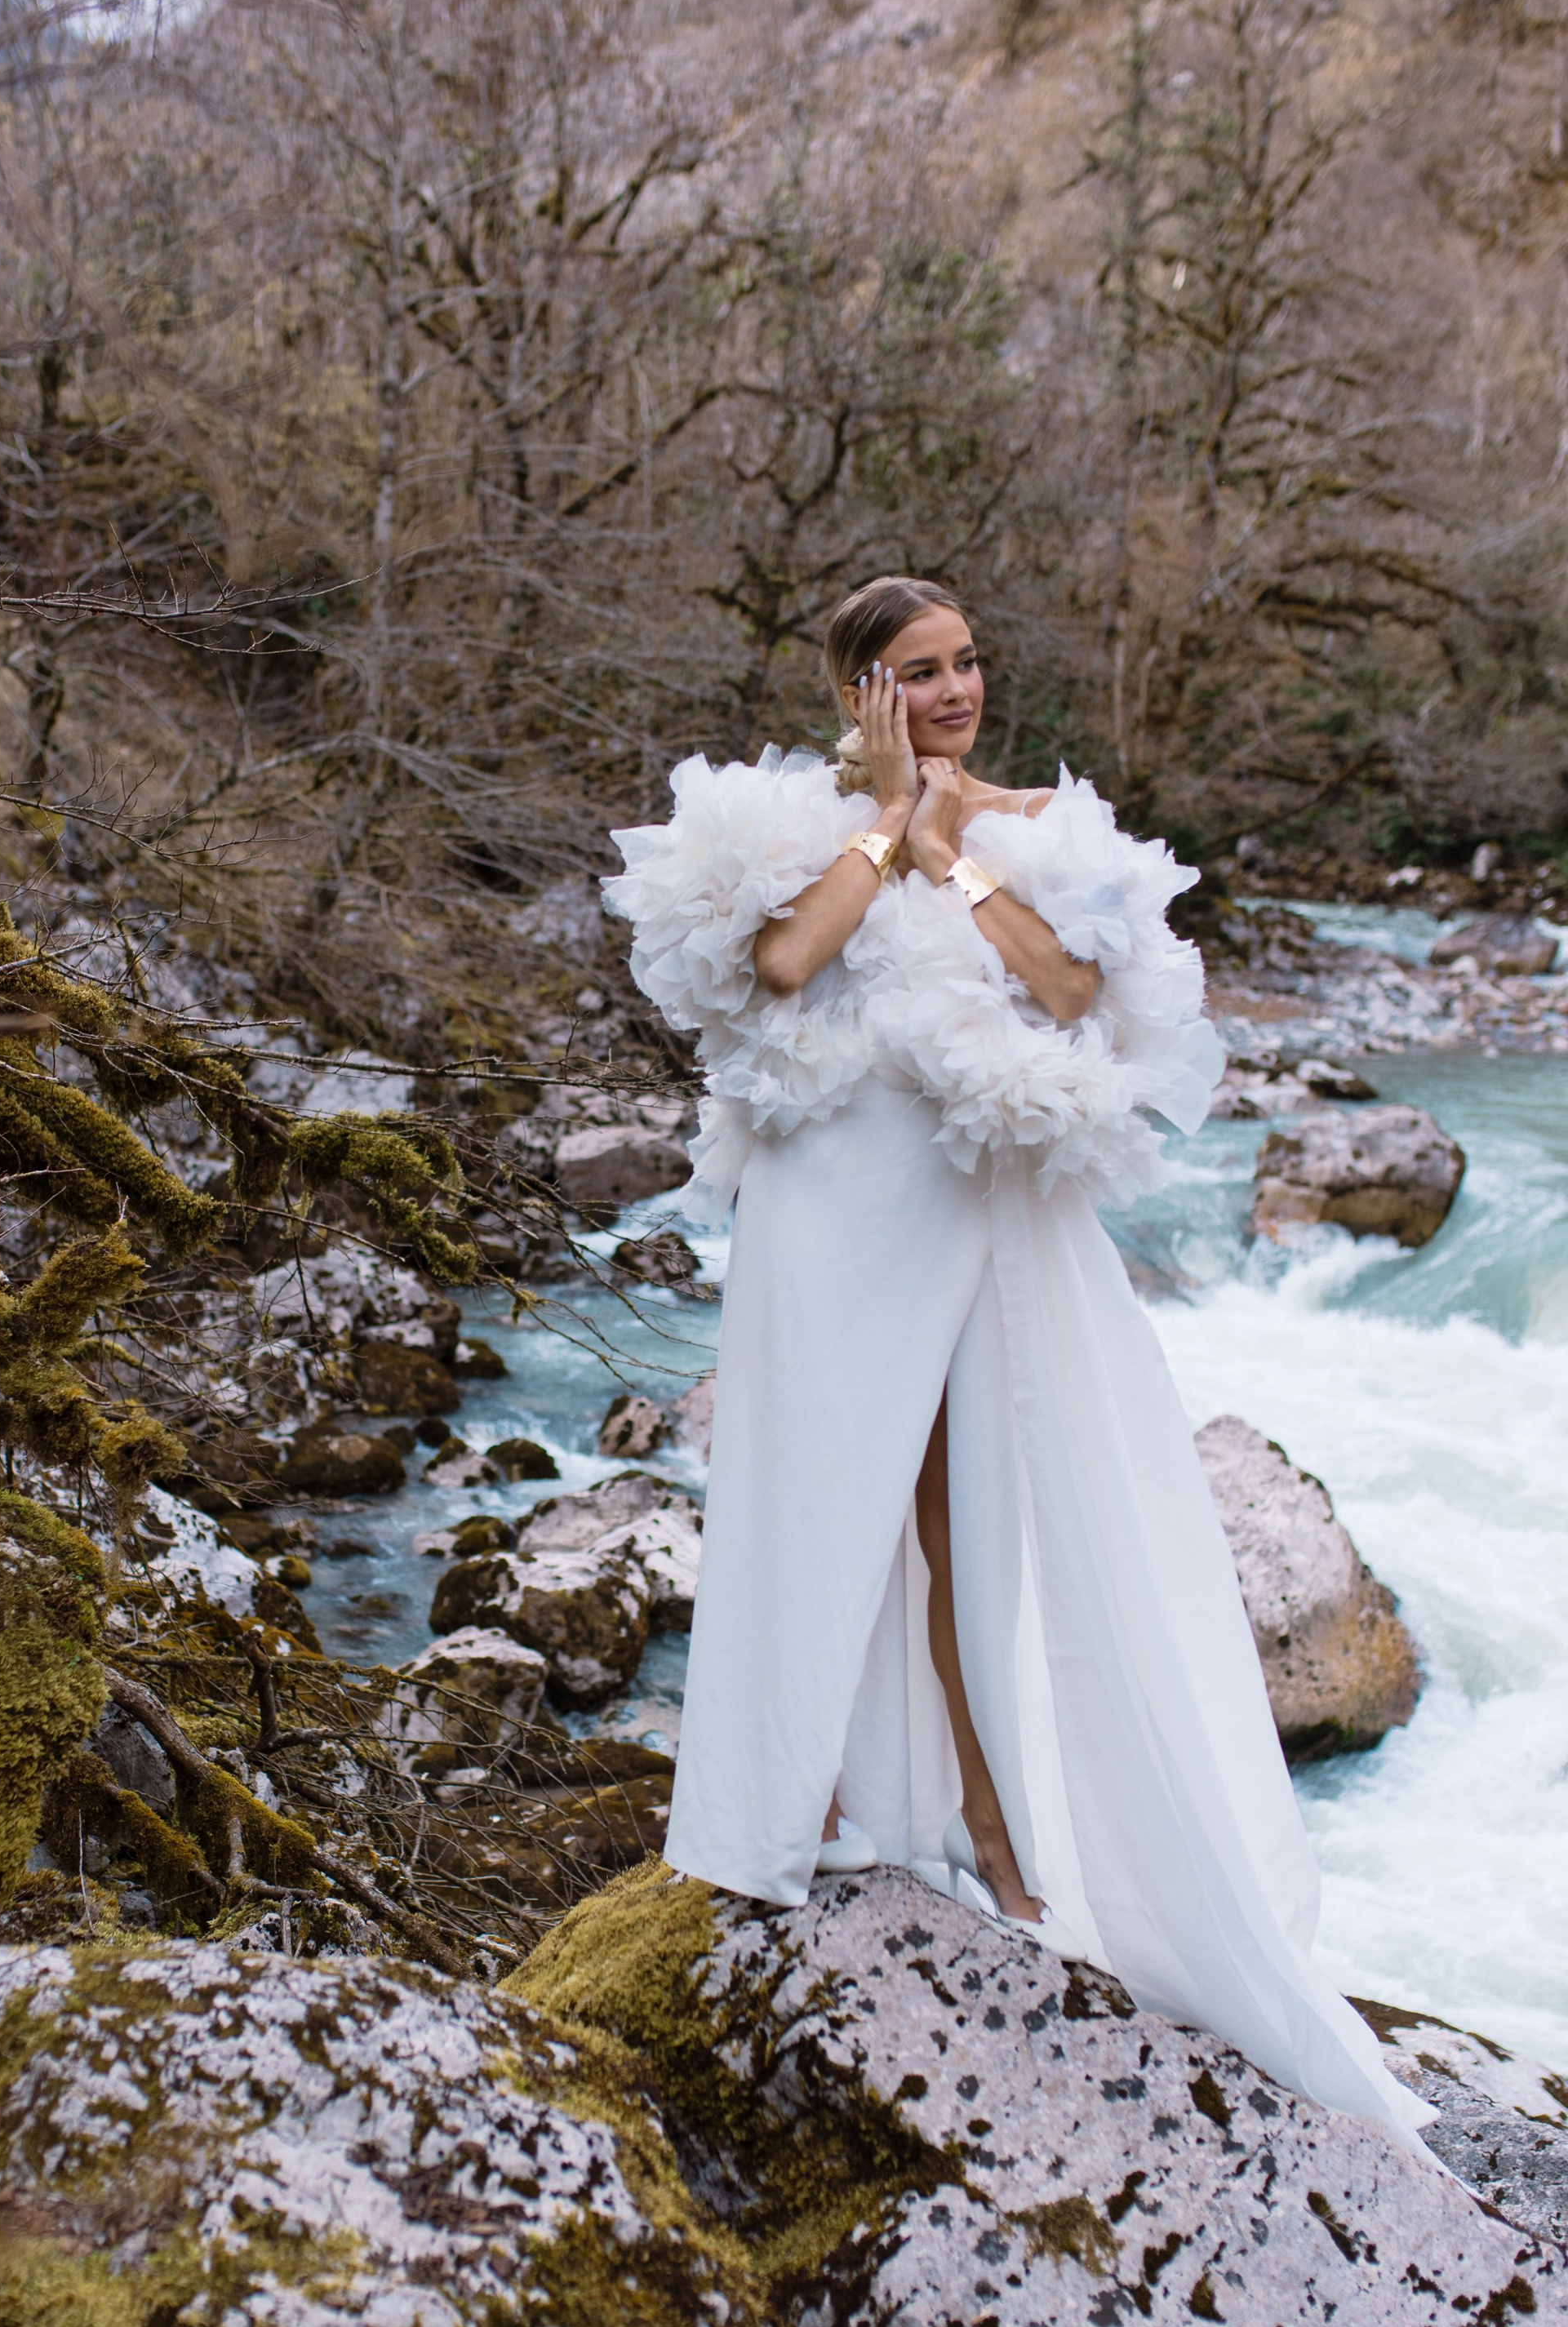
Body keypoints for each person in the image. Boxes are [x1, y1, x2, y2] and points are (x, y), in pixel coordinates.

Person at [604, 573, 1432, 2153]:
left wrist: (948, 857)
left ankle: (994, 1819)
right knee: (833, 1484)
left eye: (966, 661)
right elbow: (782, 967)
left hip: (963, 1209)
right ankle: (821, 1796)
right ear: (857, 689)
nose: (953, 688)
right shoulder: (788, 828)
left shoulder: (1038, 820)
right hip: (829, 1217)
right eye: (915, 670)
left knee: (971, 1505)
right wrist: (880, 826)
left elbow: (1068, 993)